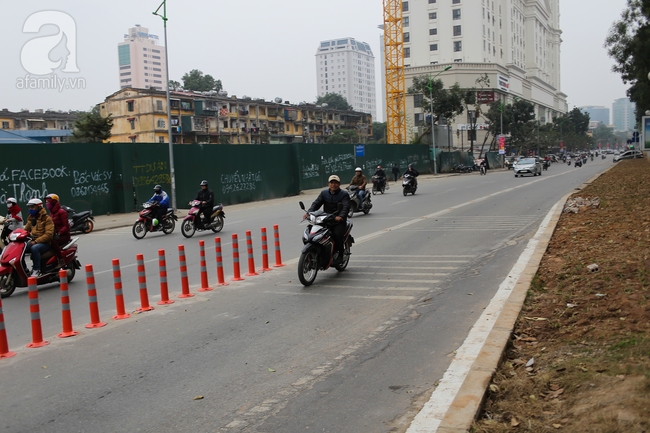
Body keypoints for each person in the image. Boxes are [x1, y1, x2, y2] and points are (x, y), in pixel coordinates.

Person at [306, 175, 350, 263]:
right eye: (332, 183)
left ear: (339, 184)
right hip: (325, 219)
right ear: (328, 184)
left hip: (338, 221)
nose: (333, 185)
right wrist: (309, 212)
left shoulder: (344, 194)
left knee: (337, 235)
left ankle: (340, 255)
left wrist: (340, 217)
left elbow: (346, 207)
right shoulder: (324, 193)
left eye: (335, 183)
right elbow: (316, 203)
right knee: (312, 233)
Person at [23, 198, 54, 277]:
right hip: (33, 240)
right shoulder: (31, 218)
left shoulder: (46, 218)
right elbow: (26, 229)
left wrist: (36, 241)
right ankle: (24, 269)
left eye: (33, 207)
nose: (31, 209)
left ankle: (37, 269)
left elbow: (49, 234)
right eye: (29, 207)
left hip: (45, 243)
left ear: (39, 207)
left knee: (35, 248)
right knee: (22, 247)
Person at [45, 193, 71, 266]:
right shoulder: (51, 213)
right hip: (54, 234)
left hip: (63, 236)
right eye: (46, 203)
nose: (47, 204)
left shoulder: (61, 212)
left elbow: (66, 226)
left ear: (53, 202)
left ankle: (61, 259)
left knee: (53, 241)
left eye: (48, 202)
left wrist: (59, 233)